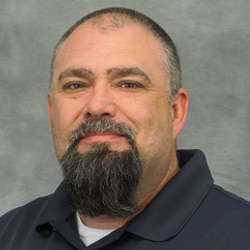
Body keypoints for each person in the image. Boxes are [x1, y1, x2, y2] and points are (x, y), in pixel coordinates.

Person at [0, 7, 249, 250]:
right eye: (76, 85)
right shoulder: (8, 234)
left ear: (175, 111)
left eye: (128, 84)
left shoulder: (240, 235)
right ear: (52, 110)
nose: (97, 105)